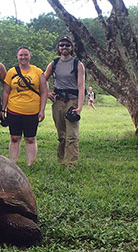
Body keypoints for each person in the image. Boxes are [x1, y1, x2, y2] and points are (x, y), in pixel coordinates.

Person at [1, 46, 48, 166]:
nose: (23, 57)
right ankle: (12, 163)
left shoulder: (37, 72)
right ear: (17, 57)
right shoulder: (11, 72)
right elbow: (6, 91)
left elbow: (44, 92)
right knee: (14, 138)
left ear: (30, 56)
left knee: (30, 138)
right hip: (14, 110)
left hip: (32, 111)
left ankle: (30, 164)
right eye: (21, 55)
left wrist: (42, 110)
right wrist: (3, 109)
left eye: (25, 55)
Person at [44, 36, 85, 169]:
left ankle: (71, 164)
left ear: (71, 48)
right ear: (58, 48)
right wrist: (48, 92)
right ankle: (62, 161)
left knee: (71, 135)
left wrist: (79, 107)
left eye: (67, 45)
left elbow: (81, 86)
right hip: (58, 101)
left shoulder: (77, 64)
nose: (64, 47)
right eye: (61, 45)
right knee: (62, 135)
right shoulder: (53, 64)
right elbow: (42, 79)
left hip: (72, 100)